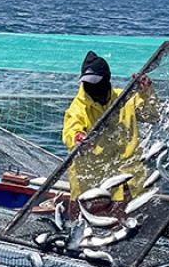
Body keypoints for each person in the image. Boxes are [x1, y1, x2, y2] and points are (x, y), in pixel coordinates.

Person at [62, 51, 160, 204]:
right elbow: (71, 130)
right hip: (92, 183)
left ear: (107, 80)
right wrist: (77, 138)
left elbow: (152, 116)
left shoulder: (125, 98)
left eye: (96, 83)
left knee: (129, 223)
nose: (92, 87)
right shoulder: (77, 108)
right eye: (88, 83)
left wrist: (146, 92)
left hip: (129, 178)